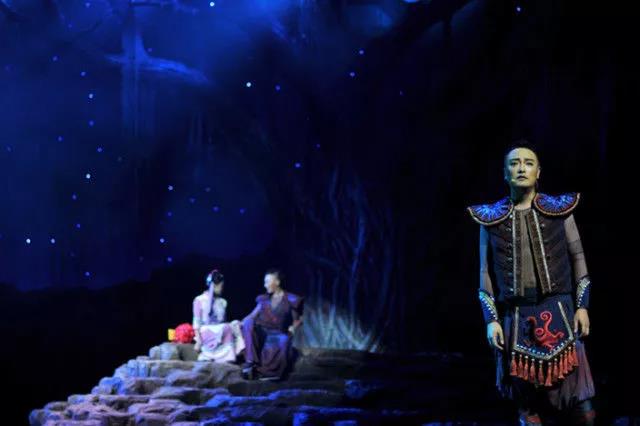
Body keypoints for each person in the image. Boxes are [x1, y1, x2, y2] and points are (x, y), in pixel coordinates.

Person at [467, 142, 596, 425]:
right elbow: (484, 272)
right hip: (517, 318)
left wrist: (582, 306)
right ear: (505, 173)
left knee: (583, 410)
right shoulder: (490, 219)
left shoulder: (560, 210)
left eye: (528, 163)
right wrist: (491, 319)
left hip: (560, 311)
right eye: (514, 163)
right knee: (528, 410)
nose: (521, 168)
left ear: (539, 172)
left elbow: (578, 258)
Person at [241, 269, 304, 380]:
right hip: (262, 332)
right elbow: (252, 316)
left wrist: (293, 328)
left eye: (267, 282)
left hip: (278, 333)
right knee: (248, 322)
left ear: (277, 282)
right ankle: (250, 361)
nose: (265, 285)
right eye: (264, 282)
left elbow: (297, 320)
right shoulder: (263, 299)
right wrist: (241, 322)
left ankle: (269, 373)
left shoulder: (290, 299)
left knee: (283, 340)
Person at [192, 269, 245, 362]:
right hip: (206, 330)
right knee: (227, 327)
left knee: (235, 324)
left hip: (220, 329)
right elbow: (196, 322)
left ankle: (229, 356)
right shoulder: (199, 300)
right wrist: (199, 341)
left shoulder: (222, 302)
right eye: (220, 286)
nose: (222, 289)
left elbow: (223, 320)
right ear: (213, 285)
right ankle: (211, 354)